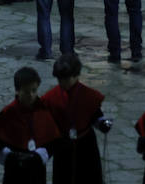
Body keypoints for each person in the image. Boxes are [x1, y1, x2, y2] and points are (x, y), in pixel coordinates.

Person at [40, 55, 111, 184]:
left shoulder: (88, 95)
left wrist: (102, 123)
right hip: (63, 146)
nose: (62, 82)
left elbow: (96, 115)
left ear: (76, 75)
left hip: (86, 144)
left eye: (66, 79)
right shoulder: (51, 97)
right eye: (60, 79)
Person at [0, 67, 59, 184]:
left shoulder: (44, 112)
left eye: (34, 90)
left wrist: (39, 156)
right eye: (26, 91)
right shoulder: (7, 114)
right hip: (14, 171)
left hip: (37, 170)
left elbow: (52, 142)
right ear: (17, 90)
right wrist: (12, 157)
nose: (31, 95)